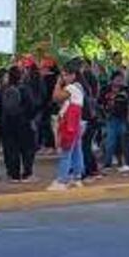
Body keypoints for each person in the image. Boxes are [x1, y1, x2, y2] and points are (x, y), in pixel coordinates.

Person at [49, 61, 86, 190]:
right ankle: (77, 177)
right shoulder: (80, 87)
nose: (64, 78)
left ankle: (62, 180)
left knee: (66, 151)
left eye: (65, 75)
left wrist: (58, 84)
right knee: (76, 150)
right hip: (76, 122)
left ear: (73, 75)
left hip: (69, 122)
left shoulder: (71, 88)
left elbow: (56, 97)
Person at [0, 65, 36, 182]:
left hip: (8, 123)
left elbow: (1, 106)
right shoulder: (26, 88)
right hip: (24, 122)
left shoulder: (4, 88)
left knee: (11, 149)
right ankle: (27, 173)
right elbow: (32, 106)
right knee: (27, 149)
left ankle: (13, 174)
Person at [101, 71, 129, 172]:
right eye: (117, 80)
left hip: (123, 118)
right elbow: (100, 103)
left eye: (121, 80)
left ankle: (126, 162)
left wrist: (128, 118)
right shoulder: (105, 89)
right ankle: (107, 163)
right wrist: (104, 114)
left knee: (124, 141)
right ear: (112, 79)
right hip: (110, 118)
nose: (119, 82)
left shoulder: (126, 90)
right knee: (110, 141)